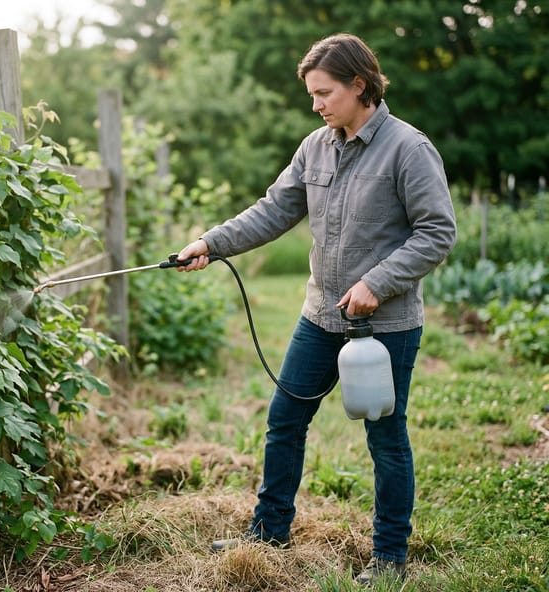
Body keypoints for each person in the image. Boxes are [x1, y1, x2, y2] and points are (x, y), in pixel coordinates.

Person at [176, 33, 456, 585]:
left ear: (360, 85)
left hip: (383, 326)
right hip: (319, 317)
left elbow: (437, 232)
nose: (317, 104)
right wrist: (210, 242)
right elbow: (273, 210)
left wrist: (377, 281)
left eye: (324, 93)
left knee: (385, 435)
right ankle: (269, 531)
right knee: (285, 420)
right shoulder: (315, 146)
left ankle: (389, 555)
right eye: (312, 95)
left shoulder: (408, 148)